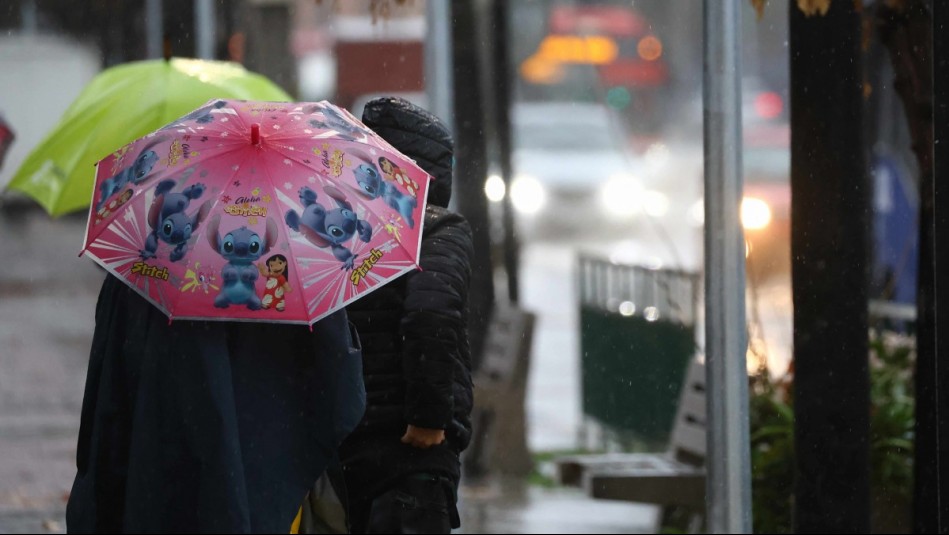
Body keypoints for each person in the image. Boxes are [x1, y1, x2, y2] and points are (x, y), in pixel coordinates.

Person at [66, 273, 366, 533]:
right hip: (266, 472)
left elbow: (107, 407)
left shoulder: (144, 268)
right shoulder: (296, 271)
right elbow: (341, 391)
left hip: (156, 475)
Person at [335, 96, 475, 534]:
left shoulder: (333, 231)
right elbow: (431, 315)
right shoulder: (435, 228)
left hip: (343, 442)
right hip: (410, 448)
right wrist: (428, 417)